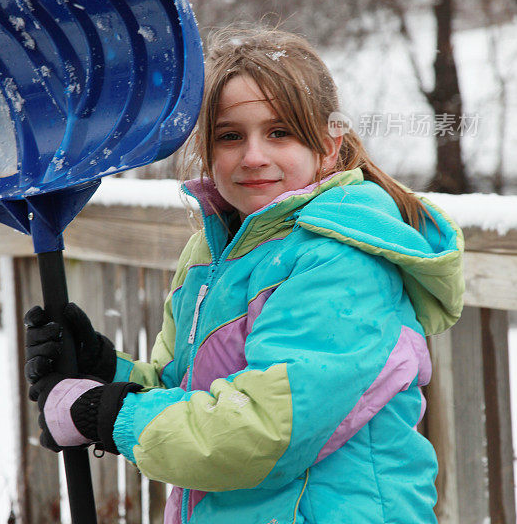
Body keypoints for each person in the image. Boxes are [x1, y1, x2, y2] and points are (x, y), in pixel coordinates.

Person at [24, 27, 465, 524]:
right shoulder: (214, 254)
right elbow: (190, 397)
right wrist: (107, 372)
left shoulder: (342, 259)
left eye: (280, 132)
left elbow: (262, 433)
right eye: (230, 136)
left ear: (328, 143)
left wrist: (108, 414)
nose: (253, 156)